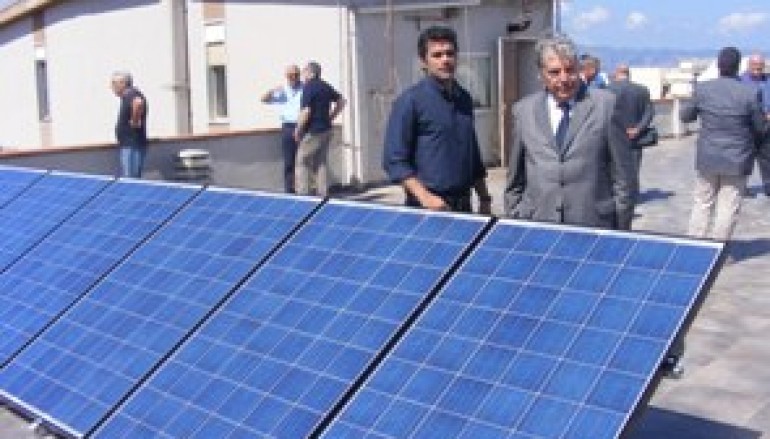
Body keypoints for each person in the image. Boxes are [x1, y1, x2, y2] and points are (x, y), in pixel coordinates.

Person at [503, 35, 634, 230]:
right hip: (538, 225)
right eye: (554, 72)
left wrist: (620, 232)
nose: (564, 78)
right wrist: (515, 217)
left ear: (578, 69)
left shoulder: (606, 106)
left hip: (593, 226)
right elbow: (515, 178)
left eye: (570, 70)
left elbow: (624, 178)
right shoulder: (524, 111)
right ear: (541, 74)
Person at [383, 26, 491, 214]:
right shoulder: (411, 101)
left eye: (450, 53)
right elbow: (394, 160)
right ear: (423, 61)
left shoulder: (464, 99)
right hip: (427, 207)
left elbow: (472, 155)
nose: (445, 60)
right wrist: (425, 197)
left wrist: (484, 197)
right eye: (437, 55)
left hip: (464, 205)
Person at [681, 46, 767, 242]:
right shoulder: (750, 92)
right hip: (737, 158)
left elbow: (685, 116)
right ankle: (718, 247)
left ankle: (695, 244)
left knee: (702, 202)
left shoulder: (702, 89)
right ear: (738, 67)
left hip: (708, 156)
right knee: (728, 206)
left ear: (719, 65)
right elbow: (760, 127)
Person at [293, 61, 346, 196]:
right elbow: (341, 101)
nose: (302, 74)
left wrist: (298, 130)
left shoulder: (309, 87)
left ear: (311, 72)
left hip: (313, 131)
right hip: (326, 130)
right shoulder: (325, 86)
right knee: (320, 162)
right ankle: (322, 193)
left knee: (302, 161)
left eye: (304, 71)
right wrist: (331, 117)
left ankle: (303, 194)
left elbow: (306, 111)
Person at [608, 63, 654, 198]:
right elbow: (649, 112)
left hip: (613, 136)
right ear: (629, 74)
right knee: (633, 167)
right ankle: (632, 195)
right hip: (634, 136)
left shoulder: (607, 90)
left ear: (616, 73)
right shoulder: (642, 90)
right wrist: (638, 128)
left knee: (614, 167)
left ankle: (617, 194)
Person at [262, 64, 303, 193]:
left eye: (296, 75)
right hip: (288, 127)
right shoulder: (282, 90)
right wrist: (272, 91)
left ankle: (304, 190)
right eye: (291, 75)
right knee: (289, 161)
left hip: (303, 126)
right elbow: (264, 99)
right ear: (286, 76)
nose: (294, 77)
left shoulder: (305, 88)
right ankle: (289, 190)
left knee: (304, 160)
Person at [111, 71, 148, 178]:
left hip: (132, 145)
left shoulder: (131, 94)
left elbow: (138, 103)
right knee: (130, 177)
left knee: (130, 178)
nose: (112, 87)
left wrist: (134, 120)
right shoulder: (128, 96)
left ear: (122, 83)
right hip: (129, 144)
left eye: (114, 83)